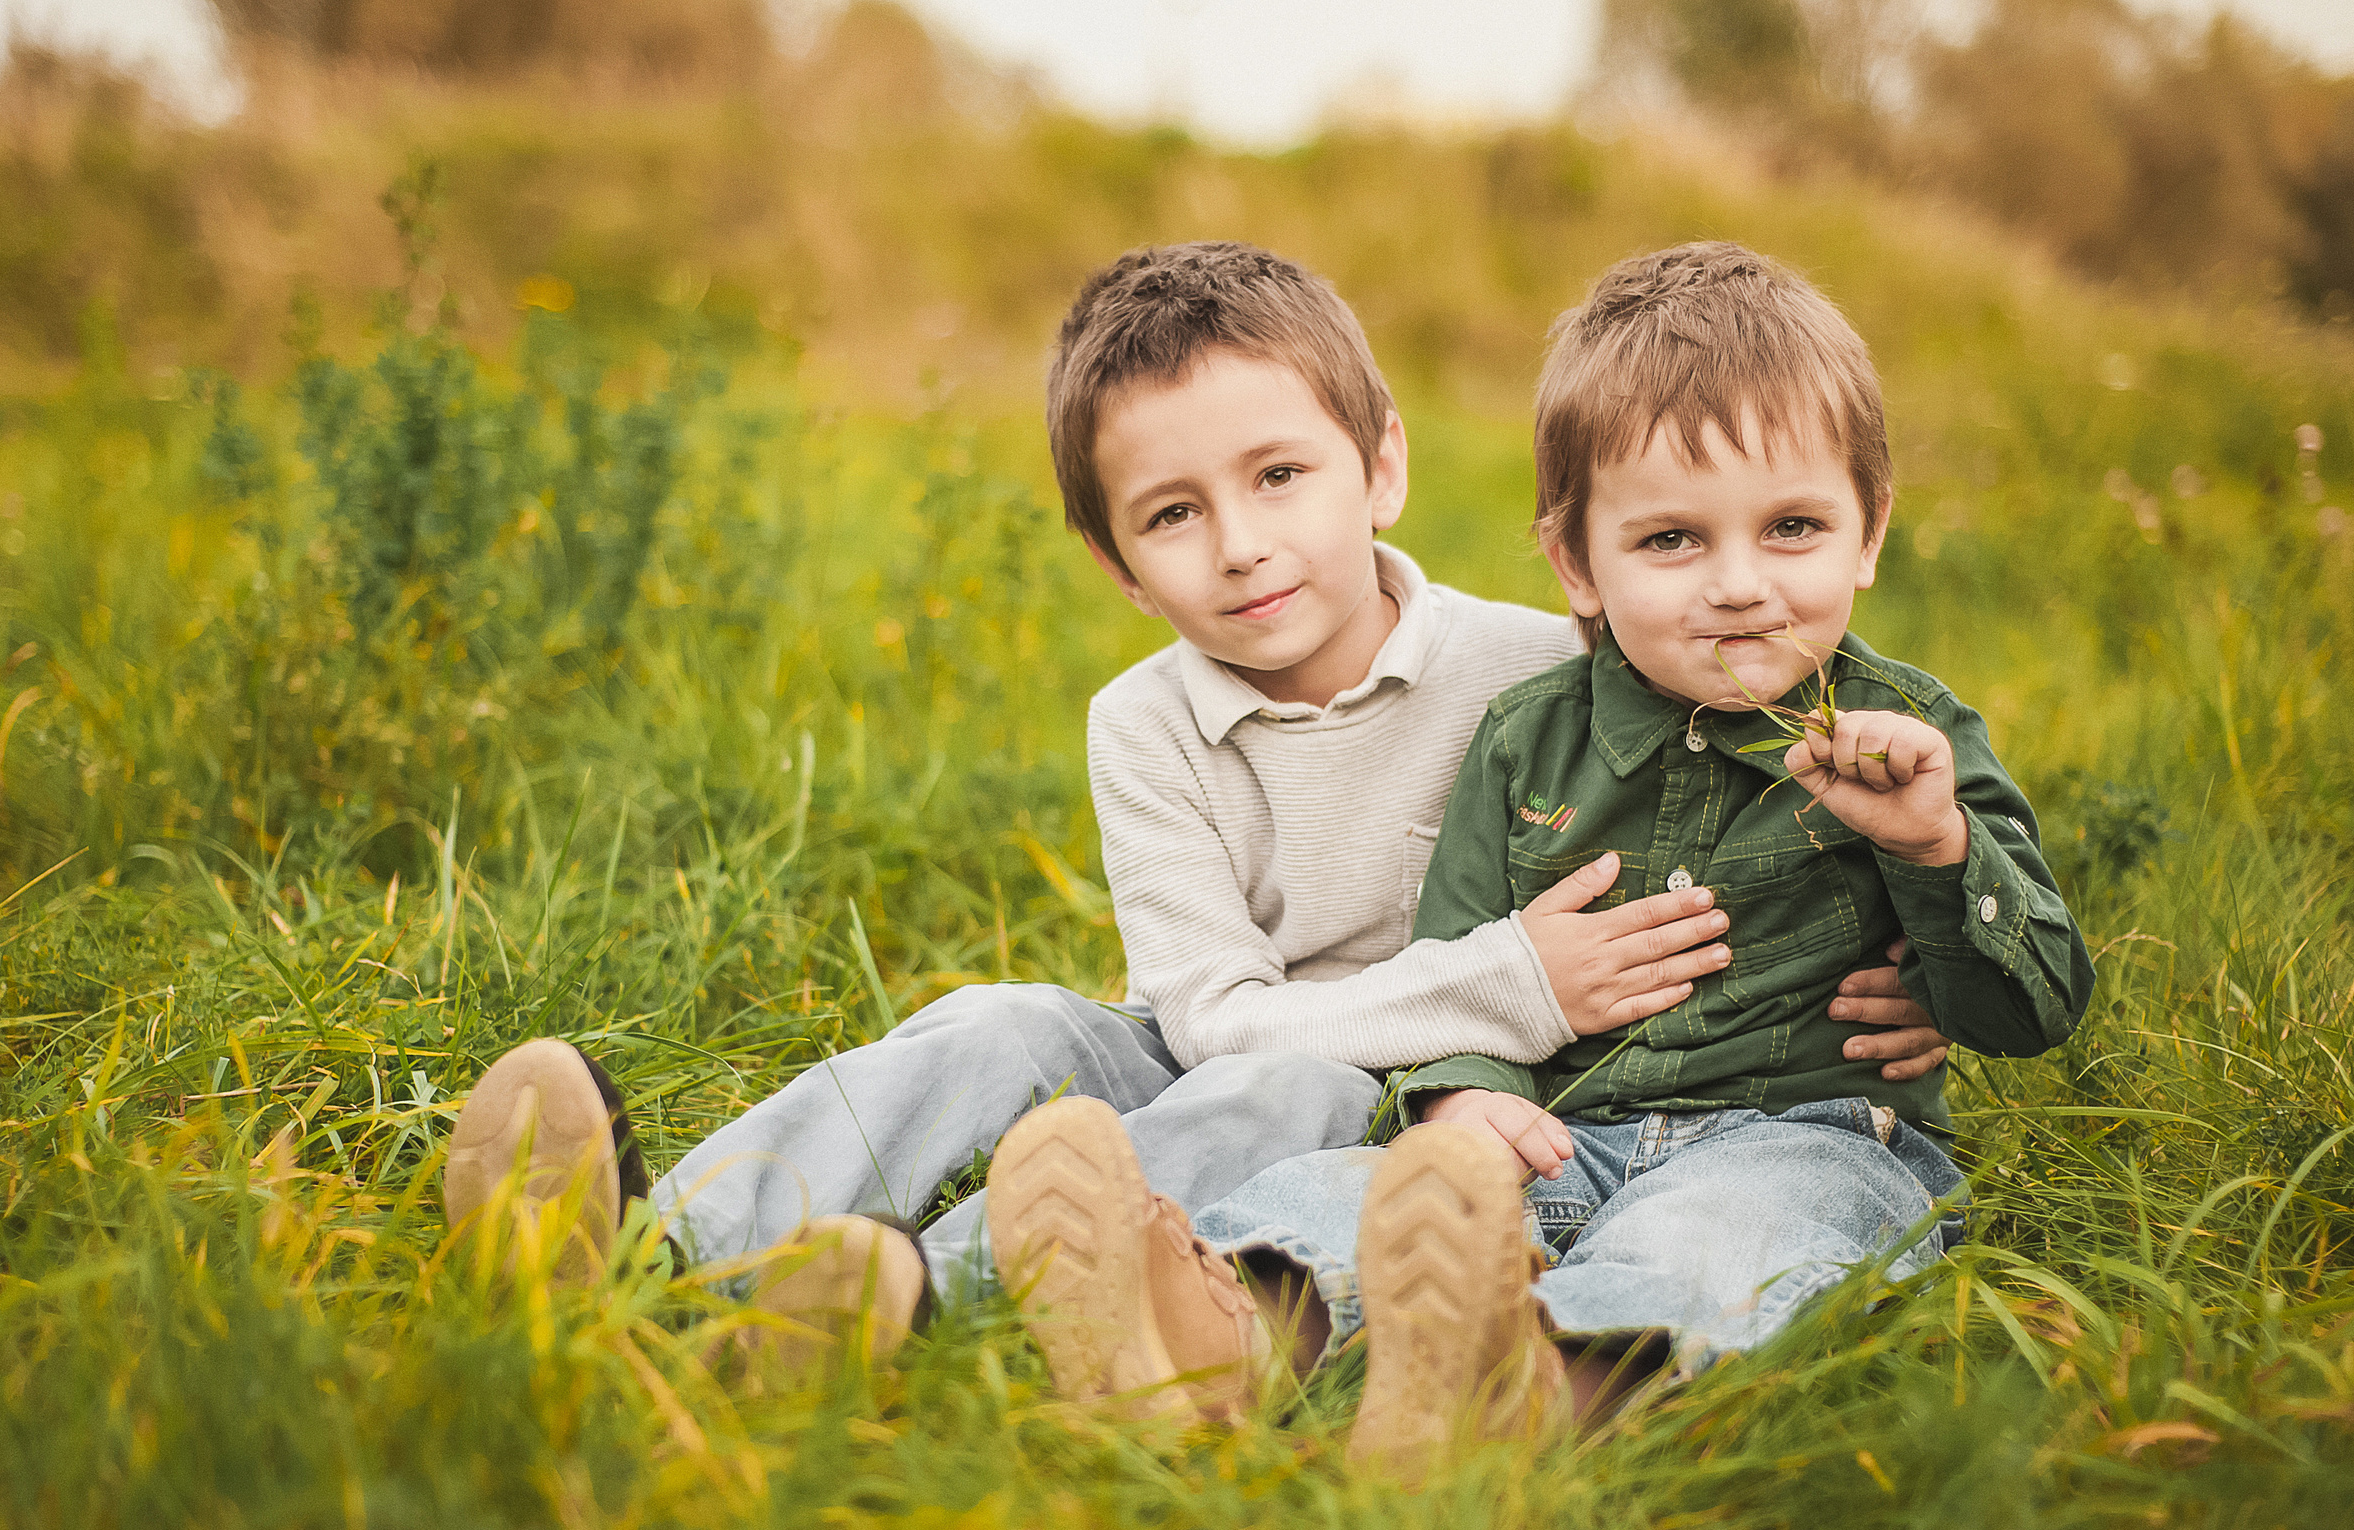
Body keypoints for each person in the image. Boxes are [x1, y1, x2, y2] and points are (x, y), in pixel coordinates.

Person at [441, 242, 1954, 1372]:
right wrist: (1517, 974)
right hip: (1231, 1038)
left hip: (1414, 1095)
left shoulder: (1541, 663)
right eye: (1174, 514)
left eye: (1281, 474)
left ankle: (908, 1295)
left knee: (1290, 1094)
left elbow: (1740, 785)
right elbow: (1212, 1015)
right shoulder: (1143, 720)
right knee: (998, 1023)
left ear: (1381, 466)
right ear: (1118, 564)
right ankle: (664, 1243)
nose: (1242, 545)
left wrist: (1868, 968)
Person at [989, 241, 2092, 1460]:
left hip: (1810, 1131)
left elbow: (2033, 1003)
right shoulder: (1523, 733)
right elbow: (1453, 955)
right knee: (1362, 1195)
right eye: (1670, 540)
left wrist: (1938, 855)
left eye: (1791, 527)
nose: (1736, 586)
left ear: (1869, 531)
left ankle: (1512, 1395)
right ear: (1576, 562)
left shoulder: (1912, 747)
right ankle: (1204, 1332)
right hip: (1563, 1129)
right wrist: (1465, 1094)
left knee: (1711, 1241)